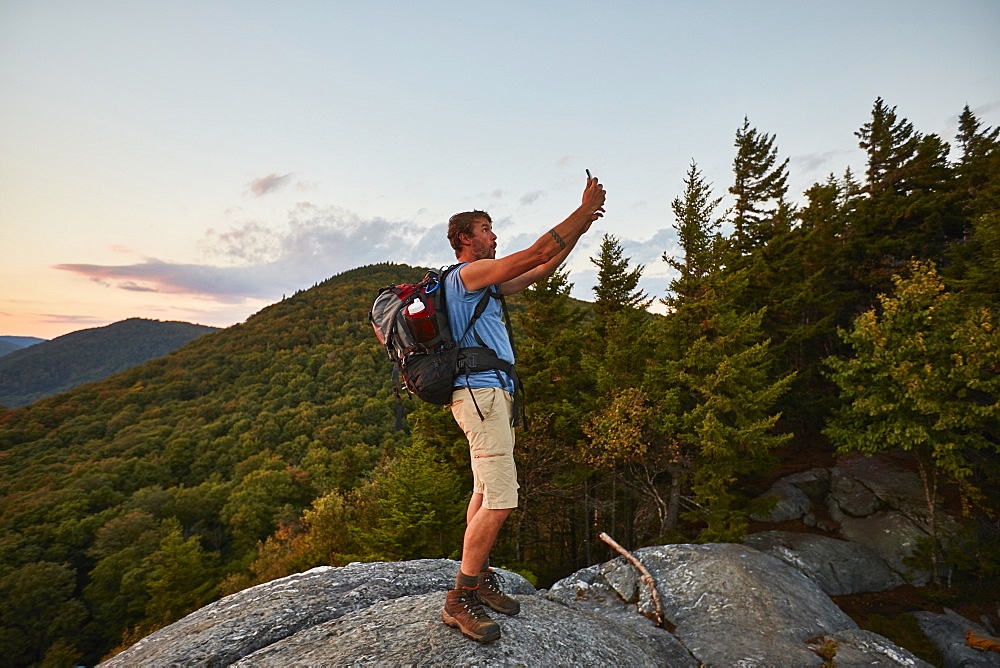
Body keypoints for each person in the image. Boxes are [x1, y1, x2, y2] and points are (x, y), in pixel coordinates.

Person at [441, 173, 607, 643]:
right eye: (486, 230)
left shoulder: (486, 286)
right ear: (464, 240)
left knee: (482, 491)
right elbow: (533, 254)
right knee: (500, 498)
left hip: (488, 395)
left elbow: (541, 270)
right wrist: (579, 210)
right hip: (481, 395)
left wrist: (581, 228)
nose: (495, 236)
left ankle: (480, 577)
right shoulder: (468, 276)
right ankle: (459, 600)